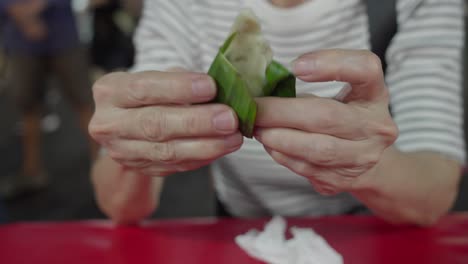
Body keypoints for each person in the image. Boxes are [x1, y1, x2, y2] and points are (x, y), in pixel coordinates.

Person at [89, 0, 465, 226]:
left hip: (368, 227)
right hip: (237, 225)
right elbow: (120, 205)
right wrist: (140, 136)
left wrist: (361, 163)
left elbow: (433, 193)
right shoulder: (183, 5)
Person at [0, 0, 97, 198]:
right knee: (28, 108)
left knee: (85, 102)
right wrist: (20, 15)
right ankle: (32, 171)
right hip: (21, 41)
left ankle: (103, 167)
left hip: (63, 37)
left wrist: (29, 11)